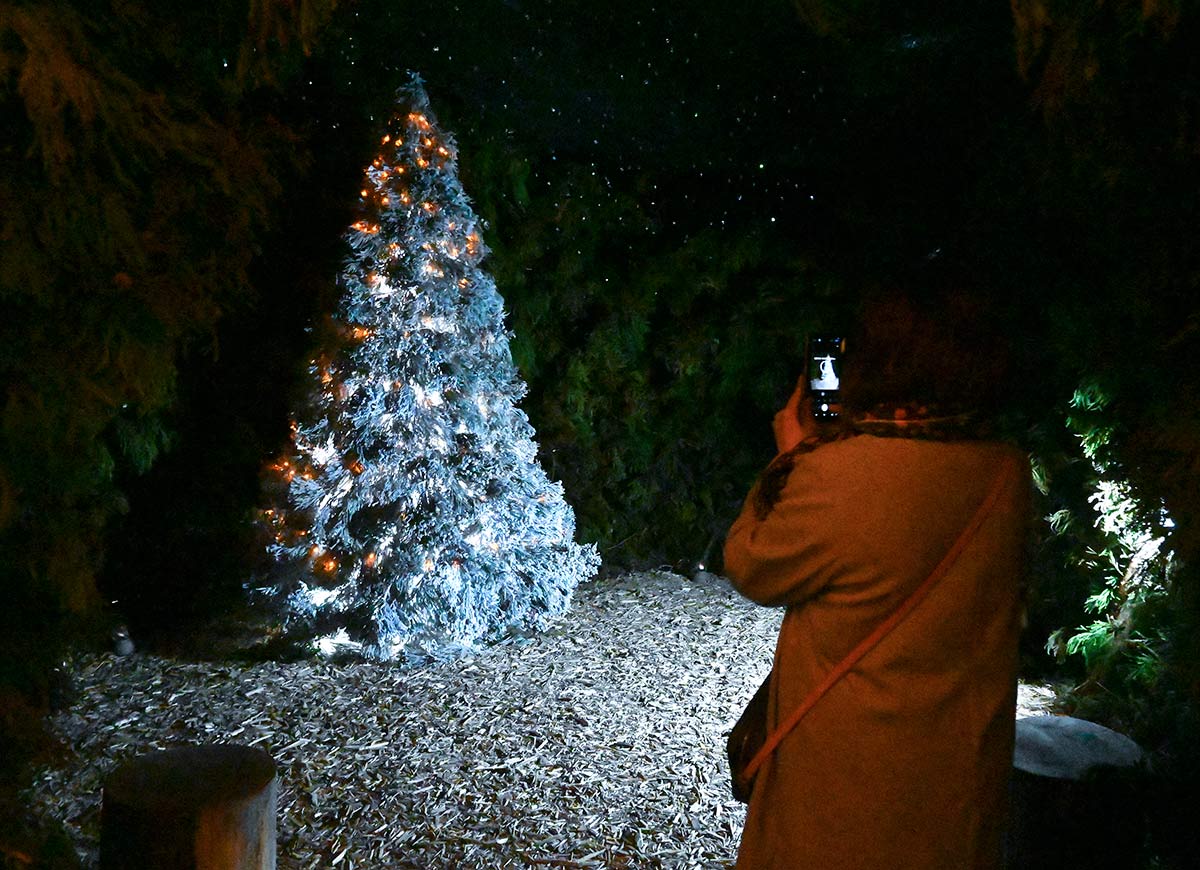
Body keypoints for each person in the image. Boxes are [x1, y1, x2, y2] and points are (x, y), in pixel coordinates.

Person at [724, 291, 1031, 869]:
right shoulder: (1005, 472)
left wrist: (791, 456)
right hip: (956, 781)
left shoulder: (839, 471)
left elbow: (752, 563)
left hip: (848, 777)